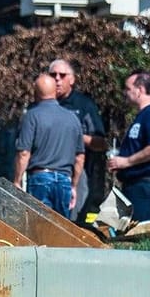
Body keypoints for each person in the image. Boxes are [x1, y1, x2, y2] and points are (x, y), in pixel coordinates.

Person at [12, 73, 85, 216]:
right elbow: (80, 157)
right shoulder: (73, 118)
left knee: (39, 228)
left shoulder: (32, 116)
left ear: (35, 92)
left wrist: (17, 180)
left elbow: (24, 153)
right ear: (55, 91)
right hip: (64, 180)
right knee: (61, 229)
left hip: (40, 178)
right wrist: (74, 186)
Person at [108, 69, 150, 222]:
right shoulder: (142, 116)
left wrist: (126, 161)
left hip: (148, 189)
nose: (125, 93)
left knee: (142, 236)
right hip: (136, 187)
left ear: (140, 90)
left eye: (128, 88)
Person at [48, 58, 107, 222]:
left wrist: (73, 136)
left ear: (72, 79)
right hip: (47, 171)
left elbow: (101, 143)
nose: (57, 79)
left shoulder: (84, 105)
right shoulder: (44, 103)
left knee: (71, 220)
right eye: (53, 75)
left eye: (62, 75)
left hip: (77, 171)